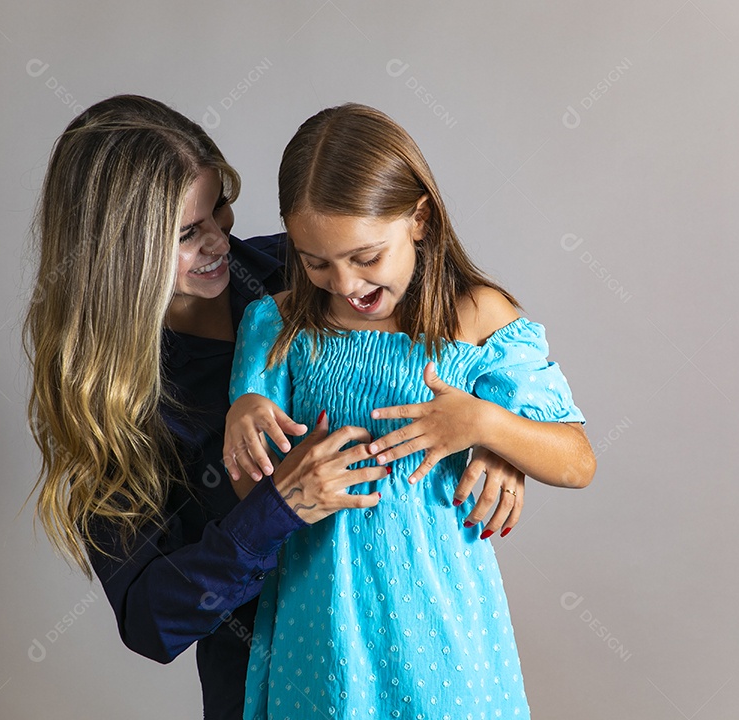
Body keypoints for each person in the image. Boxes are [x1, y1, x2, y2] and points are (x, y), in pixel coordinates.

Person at [21, 94, 530, 720]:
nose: (219, 241)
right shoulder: (107, 400)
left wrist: (499, 434)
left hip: (417, 659)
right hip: (273, 688)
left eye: (220, 209)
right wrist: (277, 510)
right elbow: (150, 621)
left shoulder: (302, 270)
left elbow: (464, 337)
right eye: (187, 234)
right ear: (120, 252)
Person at [225, 103, 596, 719]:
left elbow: (577, 461)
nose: (344, 284)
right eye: (316, 262)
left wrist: (485, 424)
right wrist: (243, 413)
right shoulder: (276, 324)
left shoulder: (478, 317)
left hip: (444, 633)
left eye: (365, 257)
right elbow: (248, 493)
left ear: (419, 219)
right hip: (320, 630)